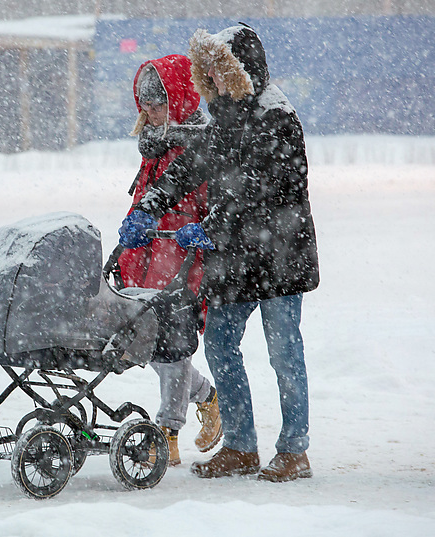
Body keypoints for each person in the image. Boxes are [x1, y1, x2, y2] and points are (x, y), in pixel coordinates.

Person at [118, 24, 320, 482]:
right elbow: (190, 169)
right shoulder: (220, 117)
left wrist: (207, 227)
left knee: (283, 352)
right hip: (235, 259)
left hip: (280, 258)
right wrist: (151, 205)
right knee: (221, 345)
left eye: (220, 71)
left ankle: (294, 450)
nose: (214, 79)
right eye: (208, 72)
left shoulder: (277, 119)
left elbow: (264, 191)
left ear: (243, 70)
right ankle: (241, 445)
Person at [113, 54, 221, 467]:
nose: (152, 113)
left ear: (179, 98)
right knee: (154, 348)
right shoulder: (155, 143)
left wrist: (202, 234)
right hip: (149, 252)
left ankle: (167, 431)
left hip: (185, 255)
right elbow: (147, 194)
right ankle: (207, 397)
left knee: (173, 346)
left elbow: (213, 201)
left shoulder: (202, 141)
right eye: (146, 106)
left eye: (159, 104)